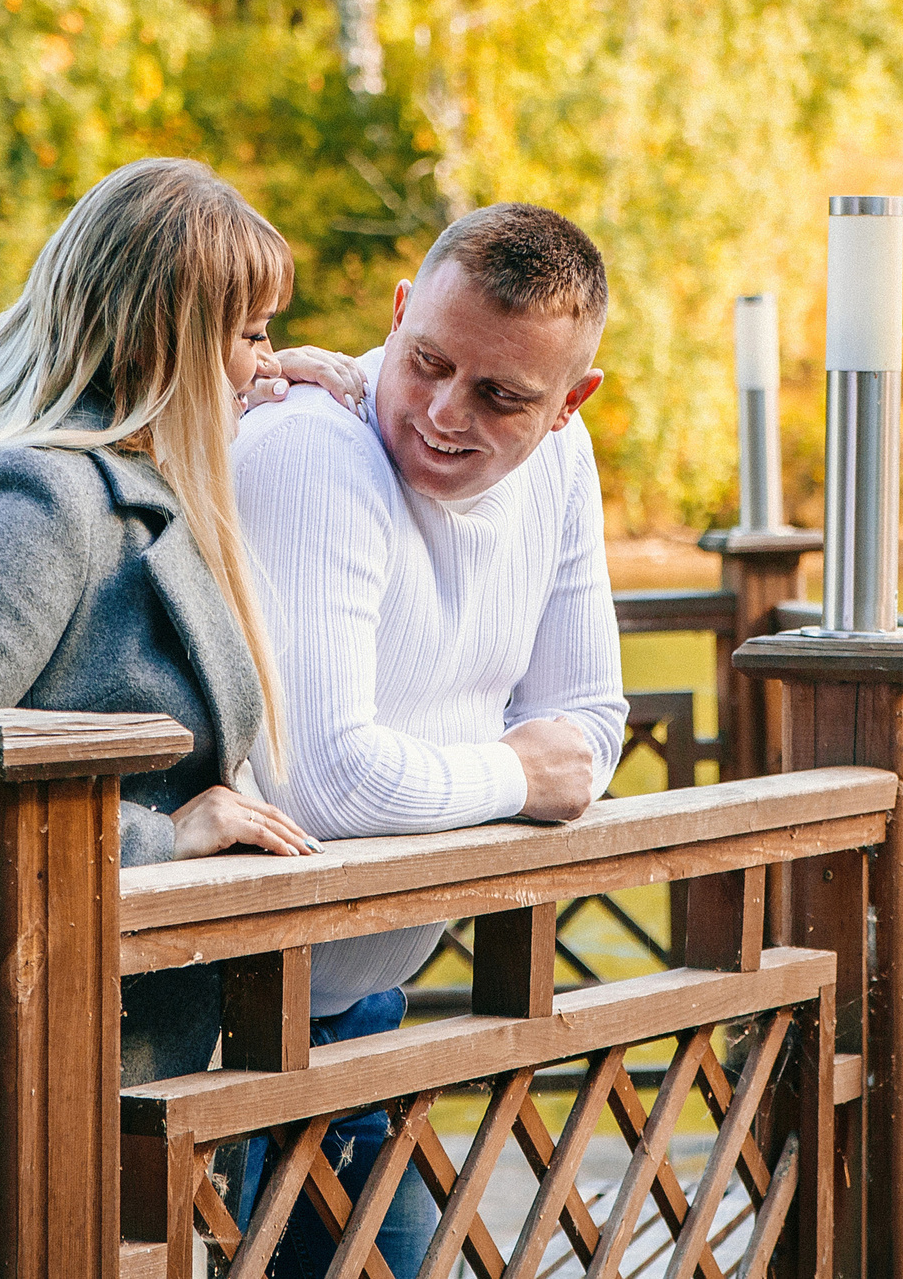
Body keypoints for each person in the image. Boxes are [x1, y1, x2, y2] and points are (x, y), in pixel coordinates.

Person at [0, 157, 323, 1142]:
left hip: (87, 1057)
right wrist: (161, 839)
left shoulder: (126, 490)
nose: (271, 362)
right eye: (252, 335)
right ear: (170, 338)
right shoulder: (40, 503)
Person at [228, 202, 629, 1279]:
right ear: (398, 313)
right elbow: (321, 781)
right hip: (215, 1048)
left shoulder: (562, 460)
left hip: (359, 1021)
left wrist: (533, 772)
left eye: (501, 395)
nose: (444, 413)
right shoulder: (313, 450)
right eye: (428, 362)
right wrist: (510, 773)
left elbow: (589, 725)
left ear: (568, 405)